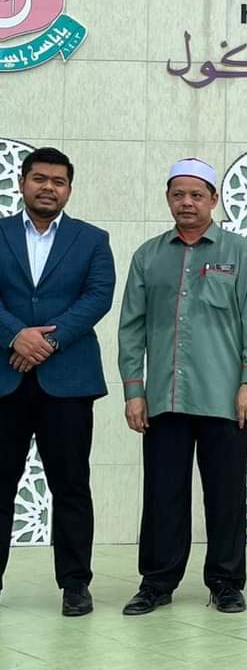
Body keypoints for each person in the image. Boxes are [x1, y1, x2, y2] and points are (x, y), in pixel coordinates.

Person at [118, 158, 247, 615]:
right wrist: (134, 391)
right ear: (168, 198)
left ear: (213, 200)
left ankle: (226, 582)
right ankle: (157, 583)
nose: (187, 202)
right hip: (164, 398)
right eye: (178, 194)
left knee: (226, 495)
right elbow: (131, 327)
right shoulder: (148, 256)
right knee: (163, 495)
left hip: (225, 397)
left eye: (197, 195)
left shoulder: (240, 252)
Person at [0, 147, 115, 616]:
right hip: (5, 378)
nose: (48, 187)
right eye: (40, 178)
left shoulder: (92, 239)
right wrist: (15, 335)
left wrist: (46, 341)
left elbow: (98, 296)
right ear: (22, 183)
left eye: (58, 181)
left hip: (67, 382)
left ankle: (75, 584)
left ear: (69, 189)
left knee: (70, 487)